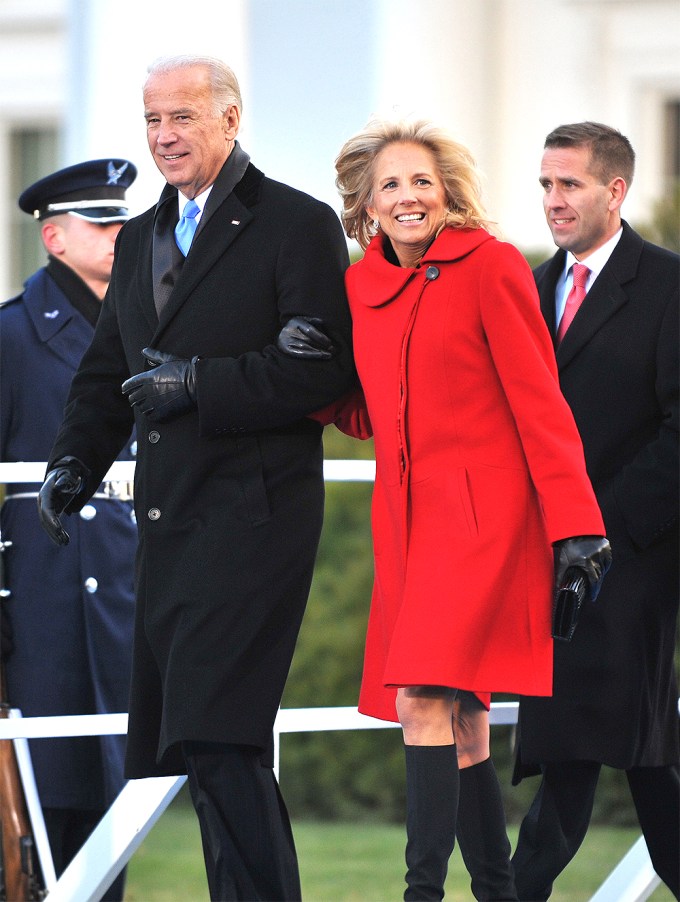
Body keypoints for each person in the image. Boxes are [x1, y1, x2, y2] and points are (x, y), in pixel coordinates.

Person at [36, 54, 355, 901]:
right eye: (152, 120)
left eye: (181, 117)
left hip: (256, 526)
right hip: (169, 531)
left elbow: (322, 370)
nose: (164, 136)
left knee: (218, 738)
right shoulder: (140, 233)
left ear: (230, 118)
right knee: (205, 748)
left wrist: (195, 384)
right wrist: (74, 461)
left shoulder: (297, 222)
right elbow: (107, 372)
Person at [279, 117, 611, 902]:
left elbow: (541, 404)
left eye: (422, 181)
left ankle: (420, 894)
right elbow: (373, 412)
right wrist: (311, 383)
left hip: (481, 524)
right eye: (390, 184)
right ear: (366, 205)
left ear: (448, 194)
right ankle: (495, 892)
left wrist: (577, 525)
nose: (407, 196)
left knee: (420, 697)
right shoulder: (362, 286)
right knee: (459, 724)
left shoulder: (491, 267)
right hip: (405, 528)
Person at [511, 121, 679, 900]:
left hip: (632, 560)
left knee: (601, 741)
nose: (553, 200)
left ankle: (513, 889)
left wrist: (596, 527)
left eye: (569, 184)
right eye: (545, 184)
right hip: (544, 564)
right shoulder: (529, 289)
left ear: (615, 191)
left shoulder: (669, 286)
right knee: (626, 750)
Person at [0, 159, 138, 899]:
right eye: (102, 224)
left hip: (126, 597)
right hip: (40, 608)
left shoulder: (151, 323)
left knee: (122, 795)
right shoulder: (13, 336)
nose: (121, 234)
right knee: (44, 811)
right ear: (54, 238)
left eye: (124, 221)